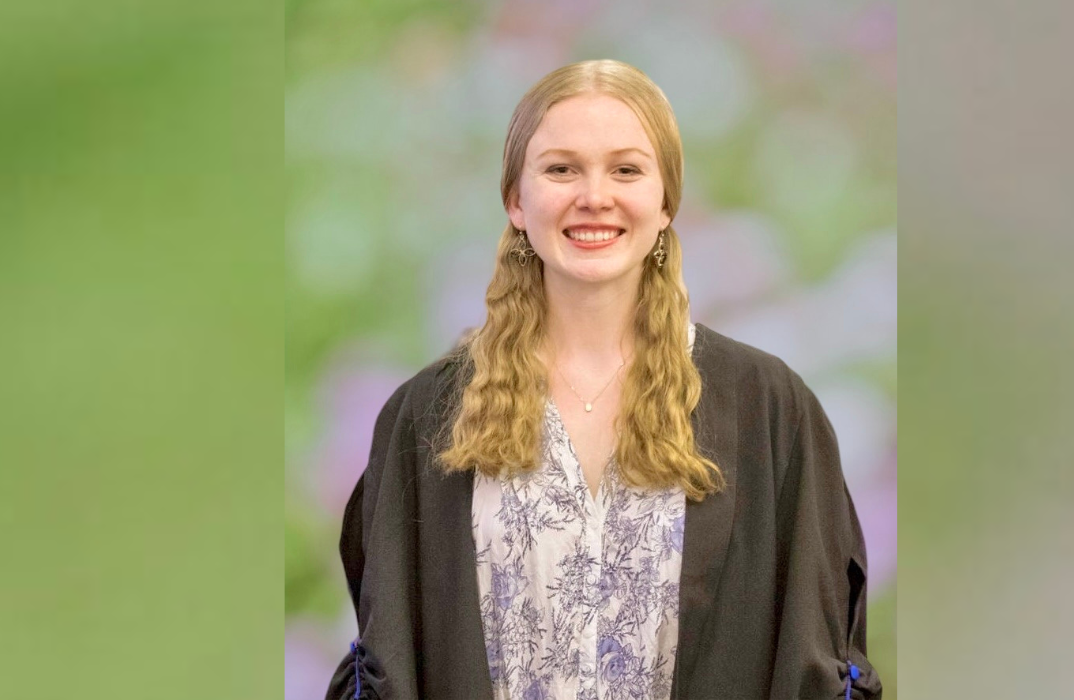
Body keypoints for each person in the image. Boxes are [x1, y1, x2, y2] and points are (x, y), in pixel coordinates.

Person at [326, 59, 881, 700]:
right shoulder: (428, 416)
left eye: (626, 169)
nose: (595, 196)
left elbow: (817, 659)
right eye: (561, 169)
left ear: (666, 200)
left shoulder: (769, 410)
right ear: (515, 199)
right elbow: (389, 665)